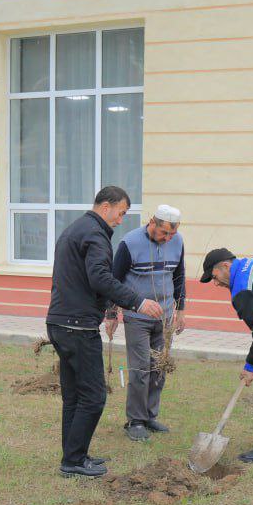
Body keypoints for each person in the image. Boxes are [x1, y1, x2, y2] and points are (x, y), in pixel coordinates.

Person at [46, 186, 165, 477]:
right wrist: (137, 301)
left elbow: (86, 278)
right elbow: (100, 277)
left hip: (60, 321)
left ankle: (74, 456)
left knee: (75, 395)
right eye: (121, 213)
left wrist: (110, 309)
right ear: (106, 207)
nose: (121, 219)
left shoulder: (76, 229)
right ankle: (74, 461)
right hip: (77, 326)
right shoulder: (95, 234)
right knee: (94, 396)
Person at [105, 205, 186, 441]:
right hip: (137, 317)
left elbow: (179, 275)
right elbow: (113, 280)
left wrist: (181, 309)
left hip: (165, 317)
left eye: (172, 234)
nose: (168, 239)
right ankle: (135, 420)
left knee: (159, 367)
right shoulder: (129, 243)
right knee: (140, 369)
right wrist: (111, 314)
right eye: (164, 234)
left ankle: (150, 415)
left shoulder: (177, 241)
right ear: (152, 222)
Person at [199, 246, 253, 462]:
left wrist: (251, 366)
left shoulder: (242, 288)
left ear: (225, 266)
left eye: (214, 277)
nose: (215, 284)